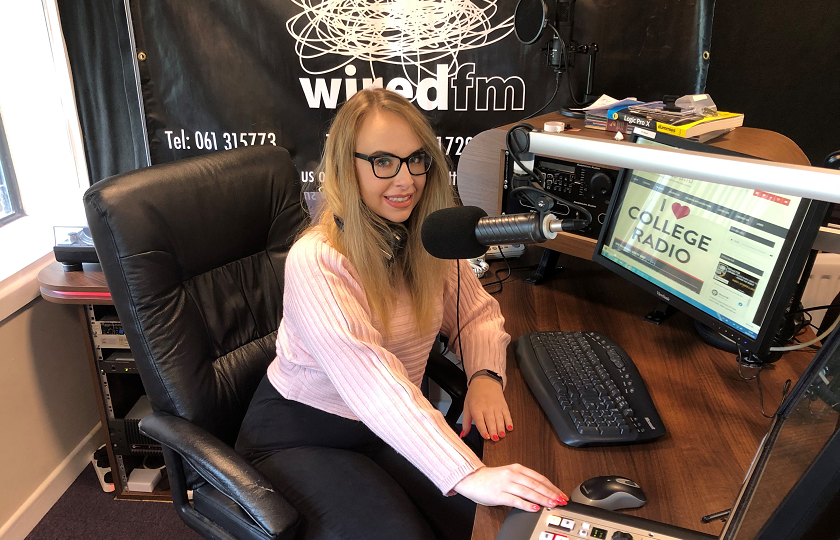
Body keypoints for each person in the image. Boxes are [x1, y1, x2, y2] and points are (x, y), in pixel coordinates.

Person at [235, 88, 567, 540]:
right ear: (344, 167)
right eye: (383, 161)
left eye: (417, 160)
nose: (406, 179)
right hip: (302, 433)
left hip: (384, 426)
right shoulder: (318, 259)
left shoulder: (426, 239)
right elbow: (372, 383)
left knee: (488, 525)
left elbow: (476, 312)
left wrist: (485, 376)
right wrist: (466, 474)